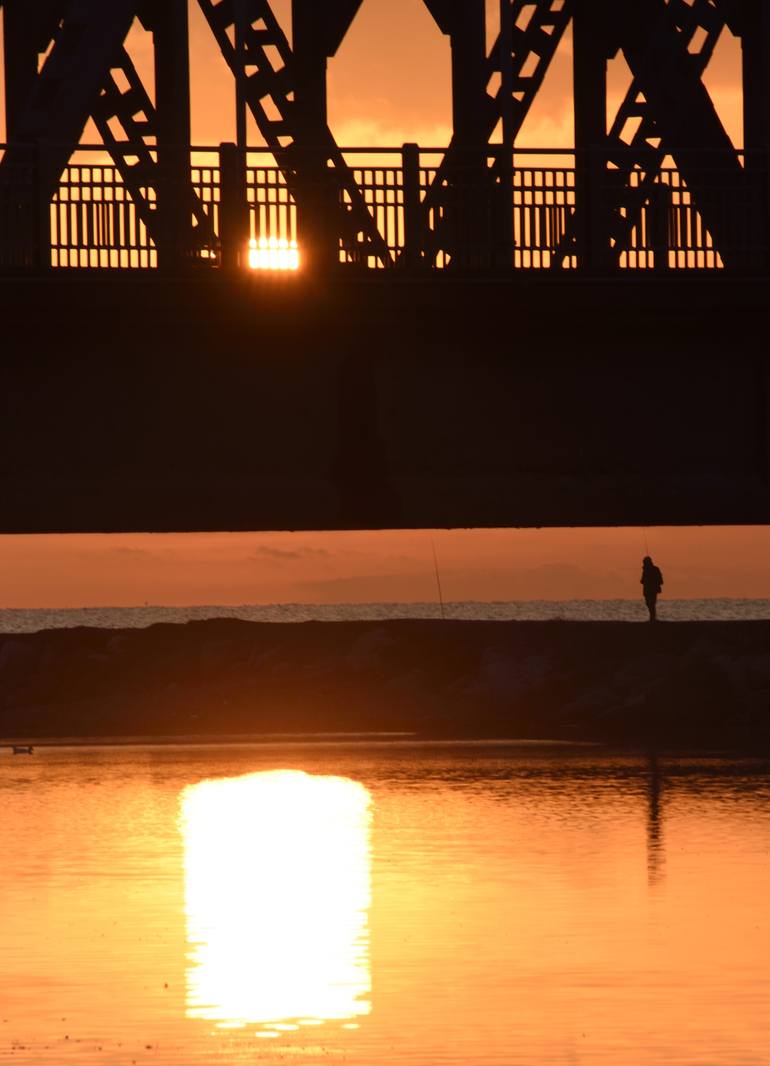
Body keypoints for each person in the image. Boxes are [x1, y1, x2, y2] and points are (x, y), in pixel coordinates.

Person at [641, 556, 664, 622]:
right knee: (650, 604)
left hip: (650, 590)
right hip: (651, 590)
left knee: (651, 604)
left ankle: (652, 618)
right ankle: (652, 618)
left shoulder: (649, 570)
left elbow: (643, 580)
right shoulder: (651, 570)